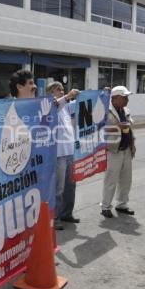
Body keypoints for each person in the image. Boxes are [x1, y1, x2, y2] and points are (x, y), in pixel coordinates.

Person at [46, 81, 80, 230]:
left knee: (71, 185)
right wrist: (68, 95)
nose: (61, 90)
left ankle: (67, 213)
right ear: (50, 93)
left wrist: (102, 94)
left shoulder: (65, 107)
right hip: (58, 155)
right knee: (58, 189)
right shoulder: (50, 106)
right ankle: (55, 217)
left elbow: (82, 103)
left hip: (70, 153)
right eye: (57, 89)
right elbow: (58, 104)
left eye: (62, 88)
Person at [101, 85, 136, 218]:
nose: (127, 100)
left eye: (127, 97)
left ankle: (121, 204)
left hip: (126, 149)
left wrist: (129, 125)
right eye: (124, 97)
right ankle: (105, 206)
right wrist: (117, 126)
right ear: (115, 98)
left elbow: (131, 124)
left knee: (126, 179)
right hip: (113, 150)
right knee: (111, 179)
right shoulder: (106, 110)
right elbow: (100, 129)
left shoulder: (125, 109)